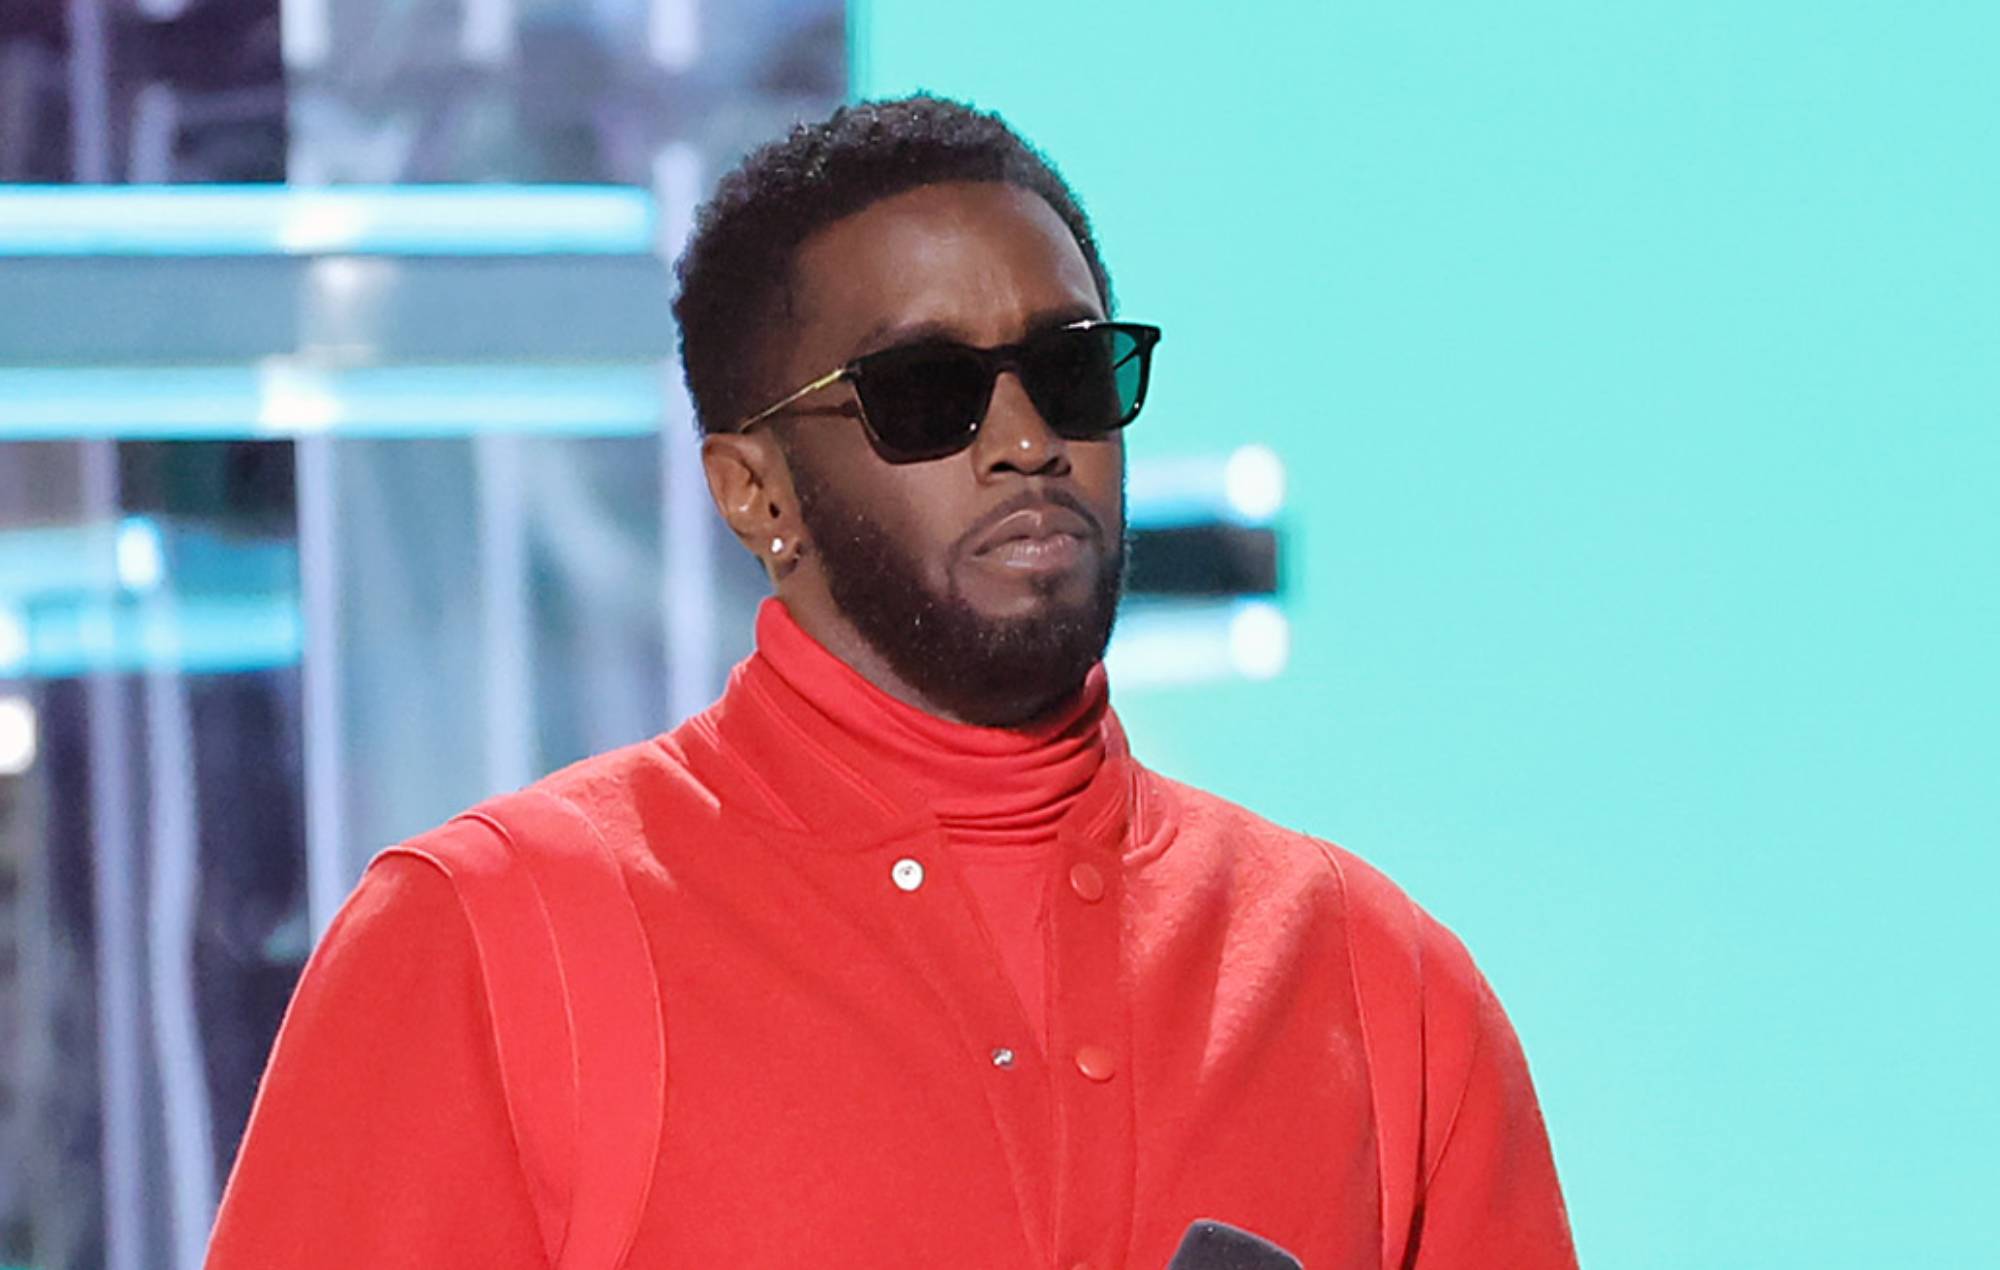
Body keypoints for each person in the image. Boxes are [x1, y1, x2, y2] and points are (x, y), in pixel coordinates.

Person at [206, 95, 1577, 1269]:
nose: (1027, 441)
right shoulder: (493, 944)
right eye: (925, 394)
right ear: (757, 493)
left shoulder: (1375, 985)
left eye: (1068, 369)